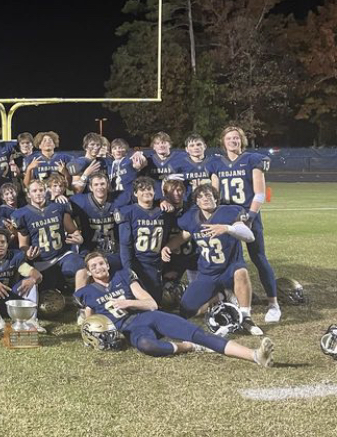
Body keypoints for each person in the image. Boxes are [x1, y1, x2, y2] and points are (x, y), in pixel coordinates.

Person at [74, 252, 274, 367]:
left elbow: (151, 303)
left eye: (101, 263)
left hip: (149, 316)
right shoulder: (87, 293)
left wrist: (129, 302)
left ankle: (255, 355)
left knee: (199, 334)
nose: (99, 267)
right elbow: (89, 325)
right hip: (131, 329)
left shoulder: (123, 276)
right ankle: (188, 346)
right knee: (148, 346)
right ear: (90, 272)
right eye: (94, 266)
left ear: (107, 264)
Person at [161, 184, 264, 335]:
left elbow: (249, 236)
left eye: (209, 195)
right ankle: (223, 295)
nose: (205, 199)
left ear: (216, 198)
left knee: (241, 272)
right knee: (187, 311)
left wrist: (228, 228)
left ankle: (245, 317)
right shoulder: (192, 217)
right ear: (196, 201)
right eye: (201, 197)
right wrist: (168, 247)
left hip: (230, 268)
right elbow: (184, 235)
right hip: (207, 273)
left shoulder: (229, 212)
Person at [208, 125, 280, 323]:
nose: (233, 141)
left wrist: (249, 215)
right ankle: (232, 297)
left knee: (258, 257)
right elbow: (214, 194)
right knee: (227, 260)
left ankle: (273, 303)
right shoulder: (216, 163)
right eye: (229, 138)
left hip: (248, 215)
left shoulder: (251, 160)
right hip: (226, 216)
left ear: (241, 141)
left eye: (237, 138)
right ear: (223, 142)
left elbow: (259, 192)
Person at [12, 179, 84, 292]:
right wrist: (28, 253)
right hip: (41, 262)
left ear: (46, 192)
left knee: (78, 265)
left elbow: (73, 231)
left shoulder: (58, 207)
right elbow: (23, 245)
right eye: (34, 191)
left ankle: (81, 299)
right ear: (29, 194)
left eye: (41, 190)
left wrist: (78, 238)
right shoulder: (22, 214)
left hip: (62, 255)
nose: (38, 193)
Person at [116, 177, 171, 303]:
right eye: (141, 189)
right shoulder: (128, 212)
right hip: (137, 260)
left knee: (155, 301)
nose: (146, 192)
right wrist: (128, 267)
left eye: (149, 189)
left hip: (156, 261)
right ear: (135, 194)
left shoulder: (163, 211)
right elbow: (125, 244)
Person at [69, 172, 119, 266]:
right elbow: (62, 209)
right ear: (91, 187)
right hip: (89, 248)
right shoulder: (80, 201)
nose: (99, 187)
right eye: (96, 184)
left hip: (113, 248)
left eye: (102, 184)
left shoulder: (119, 199)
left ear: (108, 185)